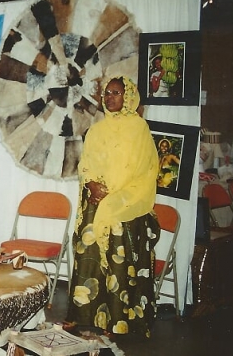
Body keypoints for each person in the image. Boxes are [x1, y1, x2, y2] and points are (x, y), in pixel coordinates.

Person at [66, 76, 161, 338]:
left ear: (128, 96)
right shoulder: (97, 130)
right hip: (97, 204)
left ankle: (116, 322)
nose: (110, 98)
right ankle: (84, 316)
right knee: (90, 259)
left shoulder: (139, 129)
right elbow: (86, 163)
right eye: (107, 93)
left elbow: (145, 170)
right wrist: (92, 184)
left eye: (117, 93)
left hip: (125, 207)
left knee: (119, 265)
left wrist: (114, 195)